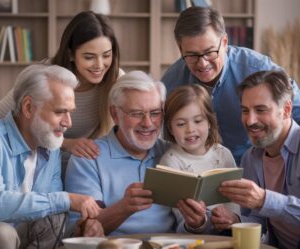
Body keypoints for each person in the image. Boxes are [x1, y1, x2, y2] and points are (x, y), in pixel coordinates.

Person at [161, 6, 300, 164]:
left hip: (256, 170)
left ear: (224, 42)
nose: (202, 63)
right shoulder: (171, 81)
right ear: (180, 48)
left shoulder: (259, 69)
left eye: (209, 52)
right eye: (192, 55)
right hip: (196, 170)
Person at [0, 64, 102, 249]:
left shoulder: (50, 145)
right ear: (28, 107)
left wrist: (82, 225)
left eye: (70, 112)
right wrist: (67, 199)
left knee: (55, 216)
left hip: (15, 236)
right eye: (59, 112)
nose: (68, 123)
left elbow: (49, 207)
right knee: (1, 233)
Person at [0, 11, 123, 161]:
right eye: (89, 57)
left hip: (85, 164)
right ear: (70, 54)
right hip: (41, 162)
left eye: (106, 55)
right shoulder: (46, 75)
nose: (100, 65)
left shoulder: (117, 80)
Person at [65, 71, 209, 235]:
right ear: (115, 114)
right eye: (136, 114)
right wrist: (123, 208)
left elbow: (188, 228)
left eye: (155, 113)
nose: (148, 123)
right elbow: (78, 231)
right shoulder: (88, 157)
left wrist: (196, 223)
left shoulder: (173, 153)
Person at [209, 70, 300, 249]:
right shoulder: (250, 158)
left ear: (286, 110)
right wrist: (235, 219)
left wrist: (264, 200)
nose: (250, 120)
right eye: (245, 110)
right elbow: (258, 220)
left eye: (261, 110)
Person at [160, 84, 239, 234]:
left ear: (209, 122)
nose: (190, 129)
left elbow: (235, 201)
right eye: (181, 124)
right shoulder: (170, 162)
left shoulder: (224, 154)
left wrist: (233, 217)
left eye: (198, 121)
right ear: (170, 128)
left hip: (229, 233)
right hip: (193, 236)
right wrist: (199, 222)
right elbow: (180, 216)